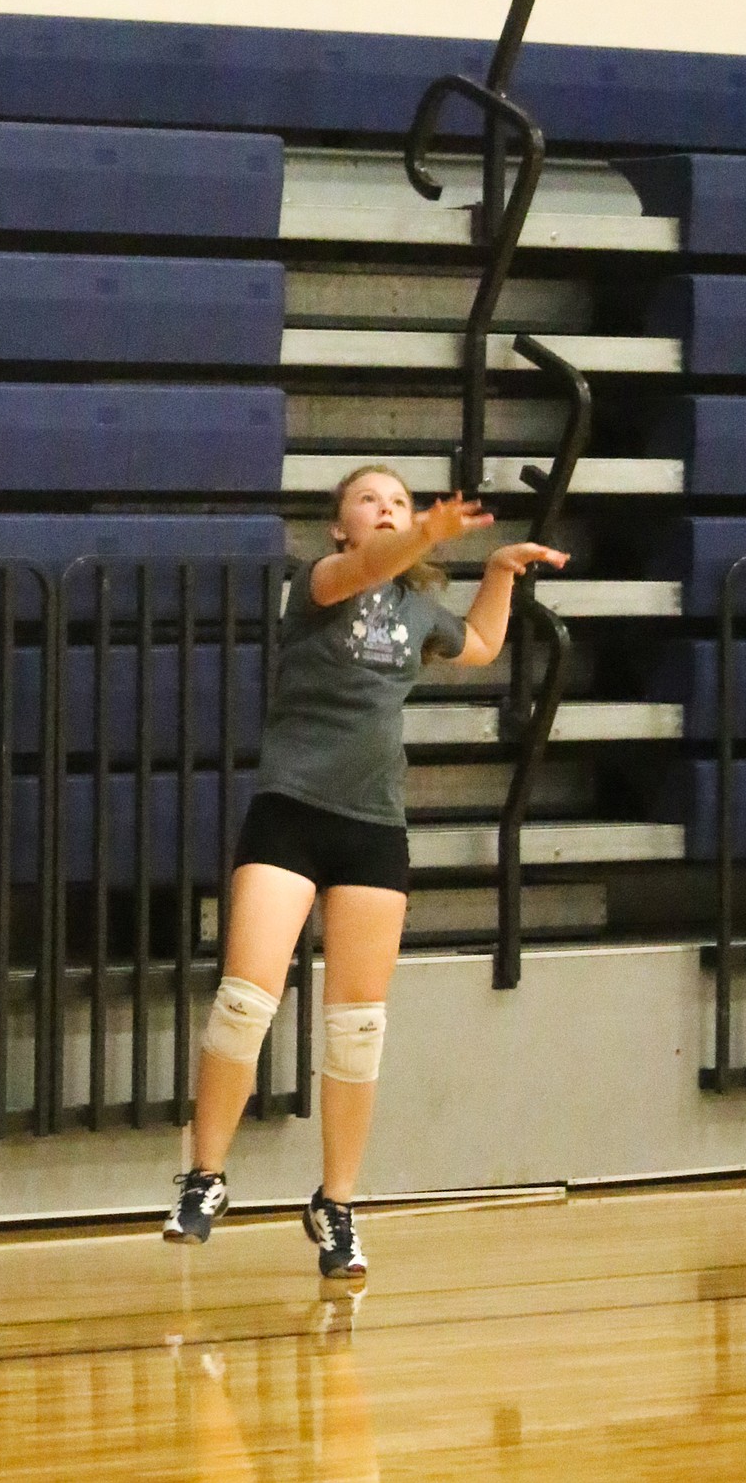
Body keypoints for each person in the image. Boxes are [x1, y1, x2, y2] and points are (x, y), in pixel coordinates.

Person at [163, 465, 569, 1276]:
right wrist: (424, 534)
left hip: (373, 828)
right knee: (246, 1000)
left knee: (357, 1029)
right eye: (368, 502)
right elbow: (365, 570)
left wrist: (494, 573)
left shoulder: (418, 609)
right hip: (291, 812)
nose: (386, 510)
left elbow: (481, 644)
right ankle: (205, 1178)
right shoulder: (319, 583)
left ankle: (335, 1204)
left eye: (400, 501)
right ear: (342, 526)